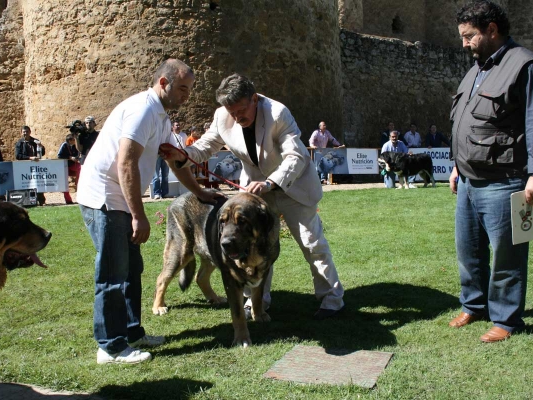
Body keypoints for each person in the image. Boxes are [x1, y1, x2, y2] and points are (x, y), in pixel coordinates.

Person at [162, 73, 344, 320]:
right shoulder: (222, 116)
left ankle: (332, 301)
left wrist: (270, 182)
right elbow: (205, 147)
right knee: (249, 246)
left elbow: (296, 157)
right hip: (254, 194)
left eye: (241, 110)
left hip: (294, 186)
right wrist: (183, 155)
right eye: (232, 112)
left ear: (255, 99)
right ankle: (255, 303)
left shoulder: (278, 113)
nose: (237, 117)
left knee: (313, 244)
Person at [77, 58, 195, 364]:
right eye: (182, 88)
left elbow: (175, 159)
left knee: (131, 270)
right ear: (164, 83)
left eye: (189, 89)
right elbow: (126, 162)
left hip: (120, 198)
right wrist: (138, 215)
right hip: (105, 198)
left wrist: (200, 191)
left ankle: (131, 332)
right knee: (113, 274)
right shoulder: (142, 110)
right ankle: (110, 347)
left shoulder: (162, 117)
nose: (187, 96)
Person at [448, 1, 533, 343]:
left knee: (508, 256)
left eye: (469, 36)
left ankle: (506, 319)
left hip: (506, 181)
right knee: (468, 250)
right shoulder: (476, 70)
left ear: (492, 29)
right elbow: (464, 120)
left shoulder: (526, 65)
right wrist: (456, 167)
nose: (464, 43)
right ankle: (473, 305)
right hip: (469, 182)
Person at [15, 126, 46, 206]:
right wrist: (30, 158)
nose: (25, 133)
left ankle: (41, 200)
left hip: (36, 166)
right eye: (24, 132)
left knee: (38, 182)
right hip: (25, 167)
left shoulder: (35, 141)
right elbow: (18, 156)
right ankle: (28, 201)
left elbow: (42, 153)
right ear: (21, 133)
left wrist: (41, 146)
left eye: (27, 131)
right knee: (27, 184)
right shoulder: (19, 143)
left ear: (30, 132)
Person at [57, 133, 81, 204]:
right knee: (65, 183)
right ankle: (68, 200)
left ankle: (79, 185)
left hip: (74, 165)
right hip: (65, 166)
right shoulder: (64, 145)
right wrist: (70, 158)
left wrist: (77, 158)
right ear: (70, 140)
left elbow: (78, 153)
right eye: (73, 140)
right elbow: (59, 156)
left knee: (81, 170)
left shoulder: (76, 145)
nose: (75, 141)